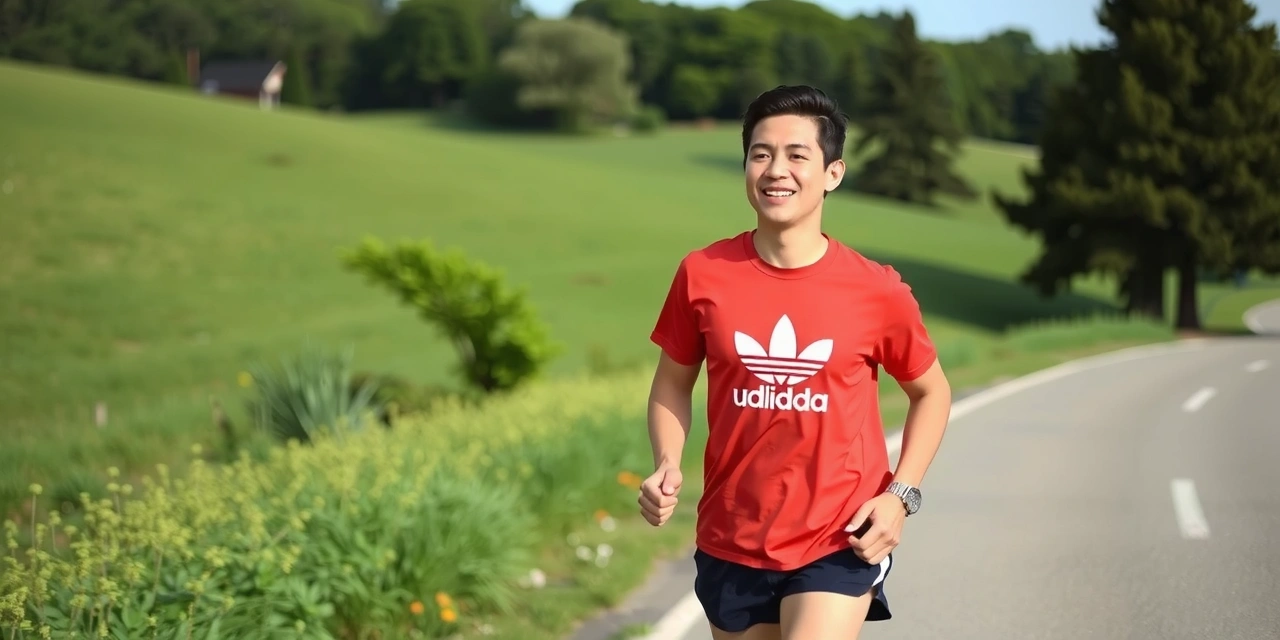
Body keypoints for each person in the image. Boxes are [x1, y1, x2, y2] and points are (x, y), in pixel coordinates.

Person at [639, 85, 953, 640]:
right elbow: (671, 384)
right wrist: (667, 461)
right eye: (760, 154)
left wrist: (901, 497)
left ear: (833, 173)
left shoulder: (875, 289)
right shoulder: (703, 273)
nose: (774, 169)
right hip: (732, 535)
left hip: (838, 537)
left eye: (796, 155)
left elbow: (932, 392)